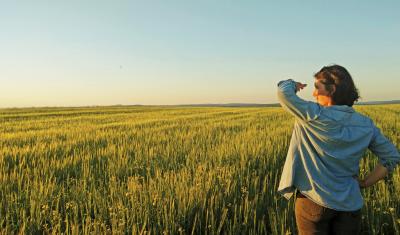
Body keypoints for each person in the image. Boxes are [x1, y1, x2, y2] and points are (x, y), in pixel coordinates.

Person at [276, 64, 400, 234]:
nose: (313, 94)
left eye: (317, 88)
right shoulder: (365, 124)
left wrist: (292, 83)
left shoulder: (313, 115)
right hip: (350, 205)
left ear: (332, 89)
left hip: (313, 201)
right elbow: (392, 157)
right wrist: (365, 183)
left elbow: (283, 92)